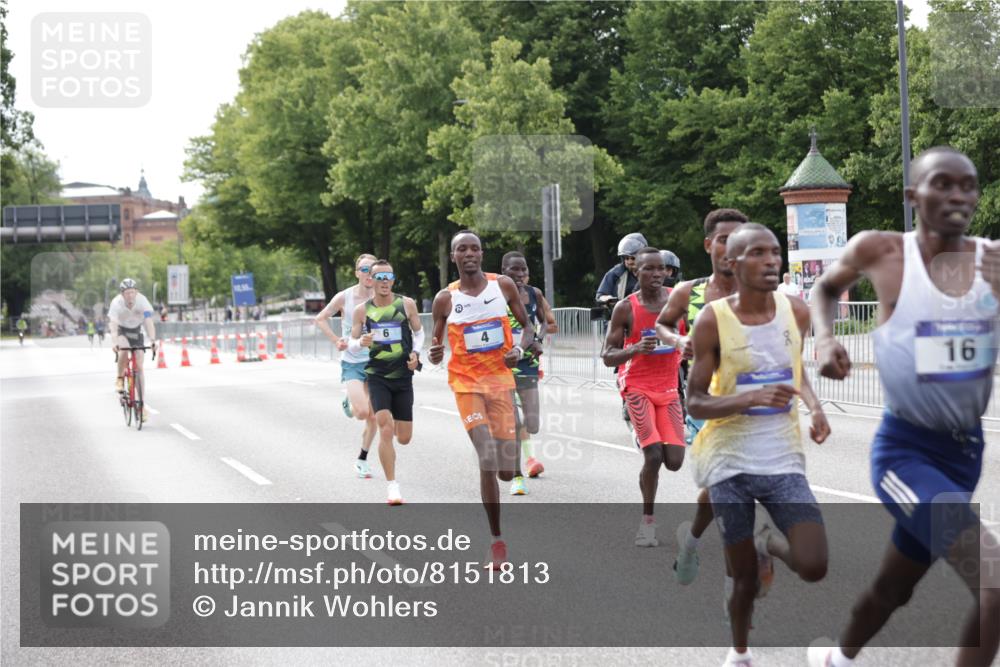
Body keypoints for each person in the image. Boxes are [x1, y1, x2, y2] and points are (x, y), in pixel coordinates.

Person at [807, 147, 1000, 667]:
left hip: (966, 453)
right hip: (906, 452)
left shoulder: (993, 263)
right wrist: (824, 340)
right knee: (995, 581)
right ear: (913, 195)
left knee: (895, 588)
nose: (958, 194)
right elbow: (825, 289)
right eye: (943, 183)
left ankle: (838, 657)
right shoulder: (884, 252)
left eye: (968, 185)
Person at [687, 223, 830, 667]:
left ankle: (768, 541)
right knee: (744, 577)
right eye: (757, 253)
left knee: (813, 563)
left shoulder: (796, 312)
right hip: (728, 461)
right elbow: (695, 401)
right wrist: (748, 398)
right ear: (732, 261)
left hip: (782, 458)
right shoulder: (712, 319)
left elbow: (794, 367)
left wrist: (814, 405)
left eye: (775, 253)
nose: (771, 261)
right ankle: (741, 651)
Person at [428, 230, 541, 569]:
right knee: (487, 457)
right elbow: (435, 348)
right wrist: (434, 353)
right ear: (453, 257)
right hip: (467, 386)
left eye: (474, 248)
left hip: (500, 384)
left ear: (481, 253)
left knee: (506, 472)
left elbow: (527, 327)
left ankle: (510, 473)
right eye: (461, 248)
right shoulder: (444, 300)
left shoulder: (502, 286)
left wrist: (519, 348)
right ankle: (496, 541)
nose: (469, 253)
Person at [655, 208, 747, 591]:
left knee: (724, 491)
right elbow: (662, 324)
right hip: (703, 404)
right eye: (725, 240)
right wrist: (679, 340)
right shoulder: (688, 292)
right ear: (709, 244)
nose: (733, 249)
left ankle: (690, 541)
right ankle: (735, 595)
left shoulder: (760, 290)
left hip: (751, 403)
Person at [602, 247, 685, 547]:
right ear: (636, 271)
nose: (656, 274)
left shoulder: (678, 300)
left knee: (674, 461)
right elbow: (607, 355)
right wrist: (634, 349)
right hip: (636, 386)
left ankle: (645, 436)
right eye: (648, 269)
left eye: (660, 269)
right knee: (654, 456)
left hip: (669, 389)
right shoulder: (626, 308)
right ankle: (647, 523)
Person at [349, 259, 424, 506]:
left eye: (387, 277)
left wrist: (416, 354)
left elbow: (419, 333)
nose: (383, 282)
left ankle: (396, 437)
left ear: (393, 280)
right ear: (370, 280)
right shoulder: (362, 310)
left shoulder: (406, 304)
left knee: (404, 437)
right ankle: (392, 487)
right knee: (385, 427)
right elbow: (352, 341)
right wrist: (361, 343)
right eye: (378, 277)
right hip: (378, 376)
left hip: (402, 377)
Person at [315, 253, 379, 478]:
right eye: (364, 269)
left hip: (376, 362)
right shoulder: (345, 297)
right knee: (361, 412)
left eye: (372, 270)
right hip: (352, 361)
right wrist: (336, 341)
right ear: (357, 273)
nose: (368, 274)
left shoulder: (383, 296)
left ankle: (362, 459)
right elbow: (321, 318)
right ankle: (350, 401)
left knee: (374, 416)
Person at [501, 251, 555, 494]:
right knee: (515, 421)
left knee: (532, 424)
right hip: (503, 364)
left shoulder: (534, 294)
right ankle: (517, 476)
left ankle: (523, 451)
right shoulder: (495, 295)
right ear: (504, 271)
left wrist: (539, 340)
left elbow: (545, 322)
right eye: (515, 270)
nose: (521, 274)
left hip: (528, 362)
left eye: (524, 270)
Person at [108, 279, 157, 421]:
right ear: (122, 294)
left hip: (137, 331)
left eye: (132, 292)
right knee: (124, 349)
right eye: (127, 293)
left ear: (136, 292)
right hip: (122, 331)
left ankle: (141, 406)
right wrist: (114, 342)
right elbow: (113, 323)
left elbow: (148, 321)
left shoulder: (143, 301)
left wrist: (153, 340)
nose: (130, 296)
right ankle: (120, 377)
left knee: (139, 366)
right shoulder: (116, 303)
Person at [595, 233, 647, 305]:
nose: (629, 261)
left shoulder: (653, 272)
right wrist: (607, 298)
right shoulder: (616, 273)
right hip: (622, 313)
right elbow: (600, 296)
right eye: (626, 258)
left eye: (633, 258)